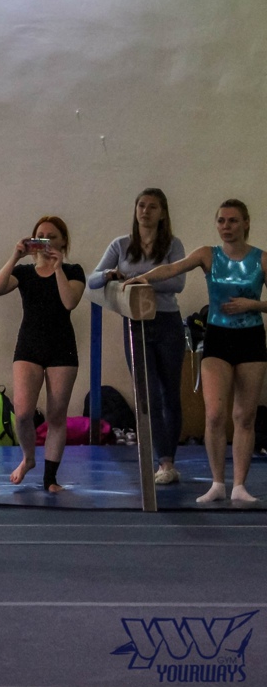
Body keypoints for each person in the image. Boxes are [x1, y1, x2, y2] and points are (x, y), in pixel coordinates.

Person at [125, 200, 266, 503]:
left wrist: (253, 305)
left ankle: (240, 485)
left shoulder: (261, 259)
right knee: (214, 415)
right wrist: (144, 278)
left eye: (233, 221)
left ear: (246, 223)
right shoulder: (208, 255)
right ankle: (218, 483)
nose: (226, 226)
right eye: (221, 220)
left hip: (251, 339)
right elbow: (173, 268)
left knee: (245, 416)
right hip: (218, 338)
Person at [89, 189, 186, 484]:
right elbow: (92, 280)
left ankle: (170, 458)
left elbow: (178, 282)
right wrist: (109, 275)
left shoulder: (172, 245)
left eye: (152, 207)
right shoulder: (121, 245)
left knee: (170, 393)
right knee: (148, 395)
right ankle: (163, 462)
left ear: (162, 213)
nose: (145, 211)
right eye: (141, 206)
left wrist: (141, 280)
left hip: (167, 322)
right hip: (135, 324)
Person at [0, 216, 86, 492]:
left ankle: (50, 478)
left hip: (61, 348)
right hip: (29, 346)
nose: (46, 241)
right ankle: (28, 458)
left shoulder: (73, 271)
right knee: (22, 413)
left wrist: (57, 268)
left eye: (52, 237)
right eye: (40, 236)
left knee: (56, 415)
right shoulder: (25, 273)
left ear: (63, 241)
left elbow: (69, 302)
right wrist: (15, 255)